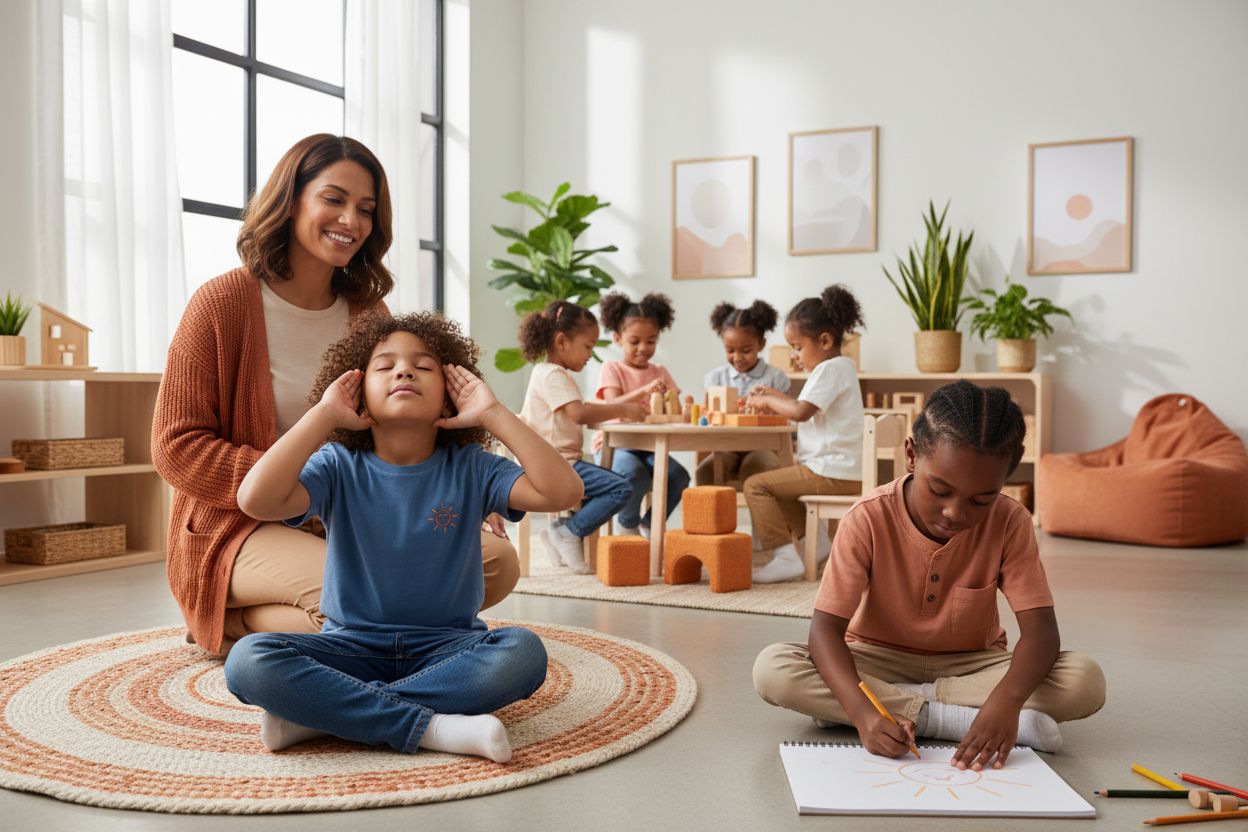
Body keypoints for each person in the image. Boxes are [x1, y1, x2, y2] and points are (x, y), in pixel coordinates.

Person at [152, 134, 519, 657]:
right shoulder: (222, 303)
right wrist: (300, 489)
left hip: (351, 511)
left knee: (494, 562)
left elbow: (403, 418)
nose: (351, 220)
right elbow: (176, 446)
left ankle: (242, 621)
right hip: (237, 525)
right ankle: (224, 604)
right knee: (362, 604)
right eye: (334, 199)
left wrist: (460, 488)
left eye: (365, 209)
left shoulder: (367, 313)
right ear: (292, 199)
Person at [224, 312, 583, 761]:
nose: (404, 370)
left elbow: (564, 491)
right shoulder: (336, 464)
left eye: (425, 366)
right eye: (384, 365)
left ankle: (321, 715)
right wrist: (323, 415)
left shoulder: (473, 465)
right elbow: (255, 499)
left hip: (448, 648)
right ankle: (435, 727)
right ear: (358, 393)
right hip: (350, 644)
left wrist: (493, 413)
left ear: (450, 395)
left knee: (522, 653)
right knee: (249, 661)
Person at [753, 381, 1106, 770]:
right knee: (774, 669)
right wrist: (861, 712)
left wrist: (1005, 702)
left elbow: (1041, 632)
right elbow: (824, 633)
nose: (955, 513)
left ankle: (886, 705)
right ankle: (951, 720)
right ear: (911, 455)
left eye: (980, 500)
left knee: (1084, 681)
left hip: (973, 666)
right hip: (875, 658)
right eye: (940, 489)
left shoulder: (1010, 521)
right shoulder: (868, 517)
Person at [742, 285, 865, 582]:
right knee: (781, 480)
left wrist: (766, 400)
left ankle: (785, 556)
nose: (794, 355)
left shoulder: (829, 370)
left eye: (797, 347)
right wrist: (773, 394)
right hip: (841, 469)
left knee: (756, 485)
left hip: (833, 471)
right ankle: (817, 544)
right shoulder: (839, 368)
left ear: (824, 340)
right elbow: (803, 405)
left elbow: (800, 412)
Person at [517, 300, 641, 572]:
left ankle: (561, 531)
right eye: (587, 346)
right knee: (621, 487)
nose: (589, 355)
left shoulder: (550, 373)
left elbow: (580, 410)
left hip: (559, 462)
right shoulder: (552, 375)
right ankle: (569, 530)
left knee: (614, 484)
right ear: (561, 341)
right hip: (557, 465)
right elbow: (579, 414)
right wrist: (621, 408)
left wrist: (626, 406)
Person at [595, 291, 689, 537]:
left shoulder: (660, 371)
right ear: (617, 339)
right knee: (632, 474)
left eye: (651, 341)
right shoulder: (612, 368)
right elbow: (611, 405)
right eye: (634, 341)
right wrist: (644, 390)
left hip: (649, 446)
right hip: (616, 445)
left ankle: (650, 523)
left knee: (679, 476)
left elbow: (674, 410)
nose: (643, 348)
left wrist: (681, 404)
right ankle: (627, 523)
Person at [696, 299, 793, 488]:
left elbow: (786, 417)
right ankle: (715, 518)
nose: (738, 358)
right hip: (725, 448)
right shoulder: (715, 378)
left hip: (763, 447)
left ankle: (757, 517)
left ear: (761, 344)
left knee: (756, 468)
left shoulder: (775, 378)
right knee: (705, 472)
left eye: (746, 350)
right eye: (730, 350)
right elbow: (707, 415)